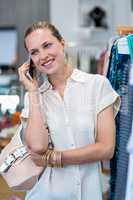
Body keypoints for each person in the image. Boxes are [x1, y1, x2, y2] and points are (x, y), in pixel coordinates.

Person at [18, 21, 120, 200]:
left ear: (62, 43)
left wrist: (53, 158)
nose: (43, 56)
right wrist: (33, 91)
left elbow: (106, 148)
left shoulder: (97, 85)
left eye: (47, 45)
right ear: (30, 61)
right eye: (34, 52)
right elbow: (38, 147)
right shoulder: (33, 98)